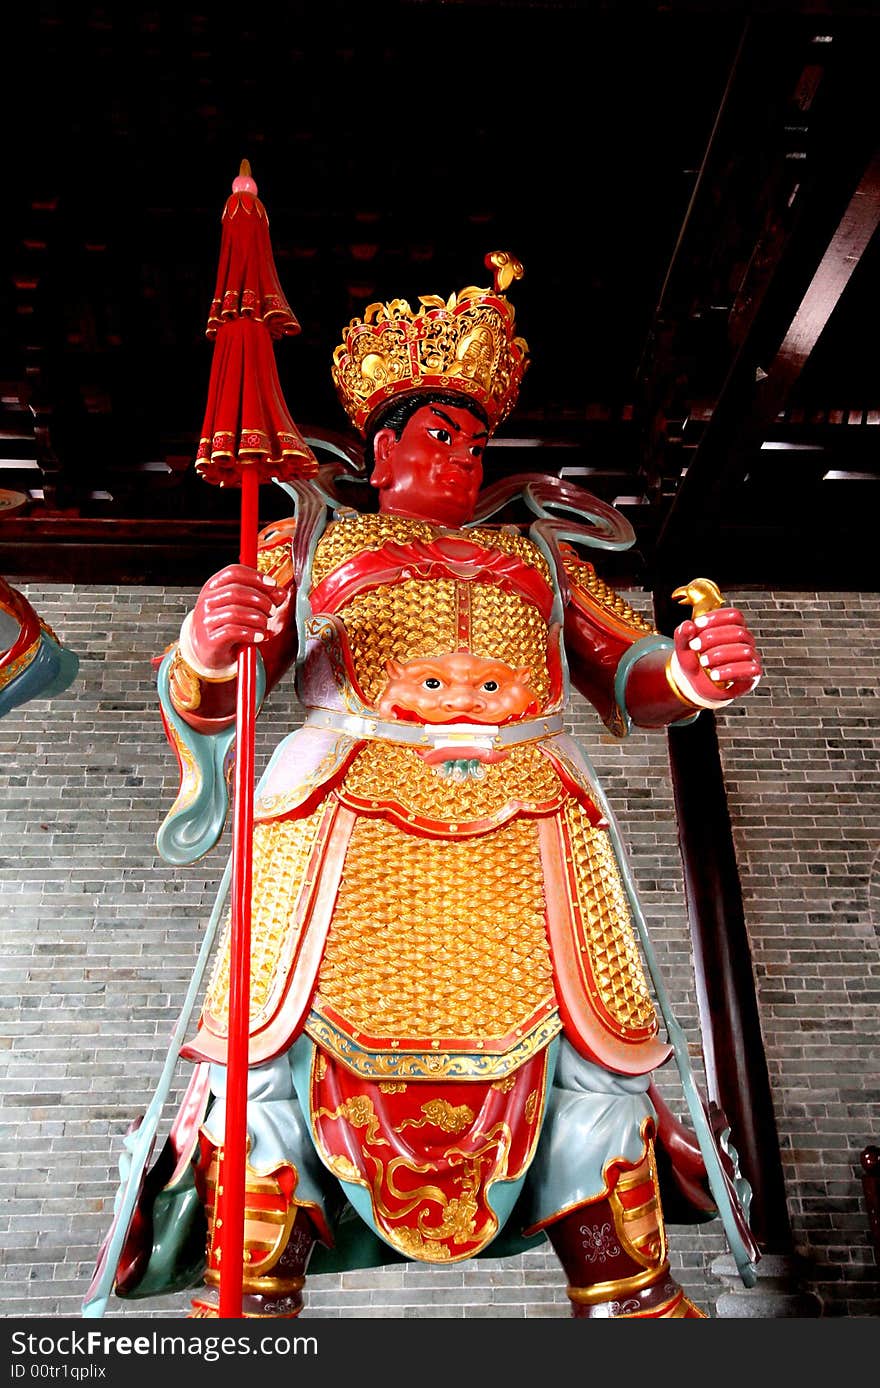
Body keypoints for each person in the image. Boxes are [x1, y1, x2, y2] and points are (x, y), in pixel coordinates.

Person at [141, 253, 763, 1319]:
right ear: (381, 445)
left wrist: (689, 671)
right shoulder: (317, 538)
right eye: (442, 432)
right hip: (345, 819)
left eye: (478, 439)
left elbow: (630, 672)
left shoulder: (545, 560)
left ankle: (628, 1290)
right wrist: (208, 640)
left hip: (529, 826)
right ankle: (246, 1299)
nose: (466, 452)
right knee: (270, 1053)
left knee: (591, 1052)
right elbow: (220, 689)